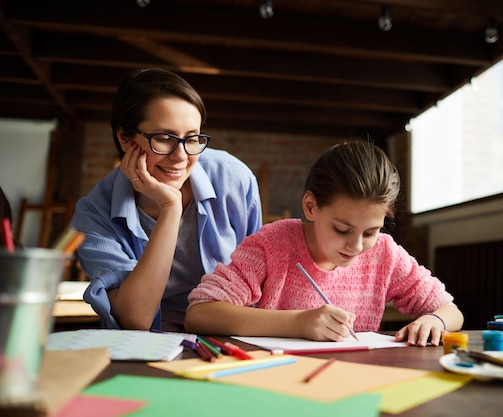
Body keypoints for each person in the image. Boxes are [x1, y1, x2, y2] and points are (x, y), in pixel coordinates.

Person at [185, 141, 463, 347]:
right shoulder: (272, 244)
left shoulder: (385, 253)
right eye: (343, 229)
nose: (356, 246)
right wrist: (299, 323)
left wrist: (435, 321)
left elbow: (450, 311)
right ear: (310, 207)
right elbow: (200, 314)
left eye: (370, 232)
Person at [71, 68, 262, 331]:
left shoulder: (233, 178)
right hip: (148, 345)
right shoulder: (94, 214)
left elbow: (261, 282)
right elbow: (135, 318)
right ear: (125, 137)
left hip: (228, 335)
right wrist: (170, 207)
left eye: (192, 139)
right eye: (164, 139)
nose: (181, 156)